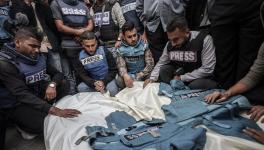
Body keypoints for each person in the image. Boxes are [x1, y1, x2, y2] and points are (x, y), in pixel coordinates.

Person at [0, 28, 81, 149]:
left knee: (63, 83)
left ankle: (45, 108)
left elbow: (58, 74)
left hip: (35, 92)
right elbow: (21, 94)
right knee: (46, 122)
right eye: (32, 46)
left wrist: (52, 85)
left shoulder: (38, 56)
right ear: (17, 43)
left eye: (38, 46)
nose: (37, 50)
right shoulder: (5, 63)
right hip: (17, 103)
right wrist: (55, 111)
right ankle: (22, 125)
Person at [144, 19, 217, 89]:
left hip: (199, 76)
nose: (172, 44)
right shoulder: (170, 44)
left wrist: (182, 78)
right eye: (170, 40)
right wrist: (152, 78)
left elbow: (208, 69)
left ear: (187, 32)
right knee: (164, 70)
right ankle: (172, 91)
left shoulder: (204, 40)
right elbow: (161, 62)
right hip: (180, 73)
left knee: (195, 85)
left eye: (176, 39)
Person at [209, 0, 264, 89]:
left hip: (252, 7)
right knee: (223, 59)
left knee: (248, 59)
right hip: (222, 8)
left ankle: (243, 95)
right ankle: (224, 93)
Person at [50, 0, 94, 94]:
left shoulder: (83, 5)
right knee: (68, 75)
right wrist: (78, 32)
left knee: (86, 72)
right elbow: (60, 26)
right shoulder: (56, 3)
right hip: (67, 46)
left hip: (84, 46)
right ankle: (74, 98)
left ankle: (88, 95)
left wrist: (83, 34)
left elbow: (90, 24)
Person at [75, 31, 119, 96]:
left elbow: (113, 69)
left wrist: (103, 82)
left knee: (112, 91)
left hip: (107, 79)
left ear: (96, 43)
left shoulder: (104, 51)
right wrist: (94, 83)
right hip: (93, 82)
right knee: (81, 88)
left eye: (93, 45)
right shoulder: (80, 57)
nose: (91, 49)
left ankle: (101, 92)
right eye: (87, 46)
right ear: (82, 45)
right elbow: (83, 75)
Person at [116, 22, 154, 89]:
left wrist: (138, 76)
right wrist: (125, 75)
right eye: (129, 37)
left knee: (152, 76)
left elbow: (150, 65)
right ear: (124, 37)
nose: (133, 39)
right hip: (130, 76)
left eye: (134, 35)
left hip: (144, 75)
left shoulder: (144, 45)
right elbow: (121, 66)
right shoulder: (120, 49)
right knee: (119, 80)